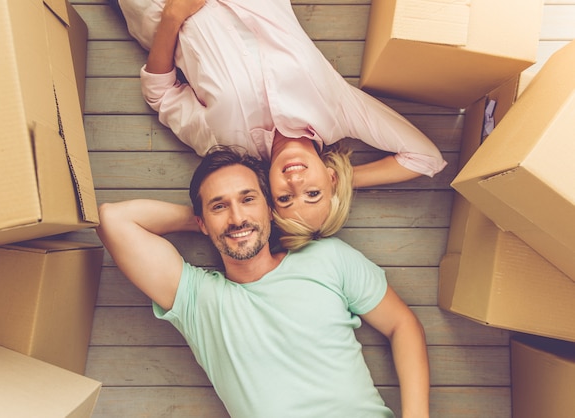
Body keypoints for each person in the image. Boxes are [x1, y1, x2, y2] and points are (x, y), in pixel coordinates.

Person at [96, 145, 431, 418]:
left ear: (270, 208)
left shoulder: (328, 258)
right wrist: (212, 223)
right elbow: (113, 219)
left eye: (248, 199)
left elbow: (402, 324)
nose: (237, 216)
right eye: (219, 206)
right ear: (201, 221)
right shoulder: (198, 300)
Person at [110, 0, 447, 249]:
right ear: (330, 179)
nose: (295, 180)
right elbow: (425, 157)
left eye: (285, 198)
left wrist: (173, 16)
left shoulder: (224, 143)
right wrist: (343, 180)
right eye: (313, 193)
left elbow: (160, 94)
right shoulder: (337, 110)